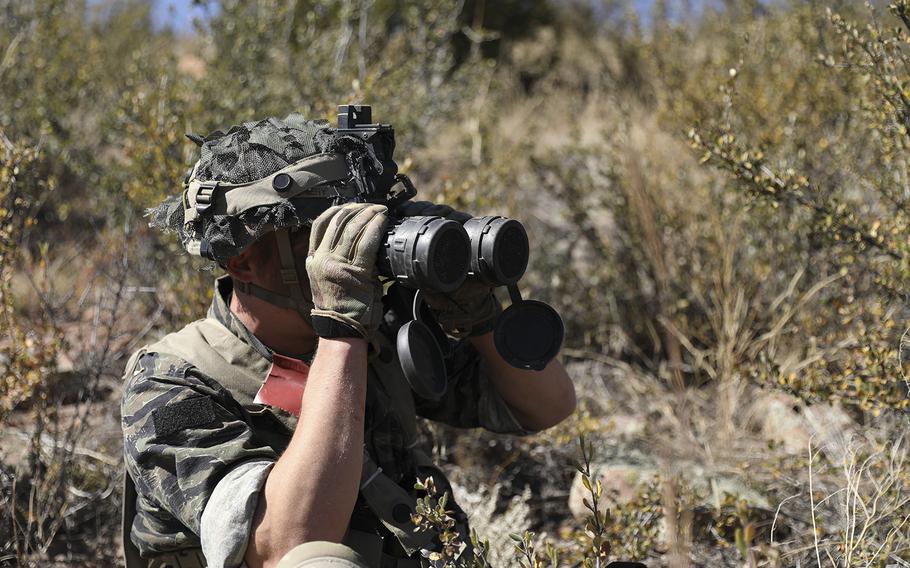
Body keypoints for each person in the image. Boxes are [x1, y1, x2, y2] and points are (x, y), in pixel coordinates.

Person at [120, 114, 576, 568]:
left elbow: (546, 405)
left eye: (360, 222)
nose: (357, 246)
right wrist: (340, 329)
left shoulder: (384, 329)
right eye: (325, 233)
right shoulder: (173, 381)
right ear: (242, 262)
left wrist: (479, 315)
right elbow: (287, 546)